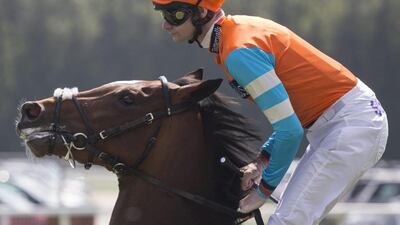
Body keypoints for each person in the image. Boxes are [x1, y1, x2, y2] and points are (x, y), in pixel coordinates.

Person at [151, 0, 389, 224]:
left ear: (202, 12)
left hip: (349, 125)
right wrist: (261, 162)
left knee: (287, 221)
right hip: (346, 119)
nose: (166, 23)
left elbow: (290, 131)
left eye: (176, 14)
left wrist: (263, 190)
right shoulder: (235, 33)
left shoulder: (237, 52)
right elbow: (290, 118)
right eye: (163, 14)